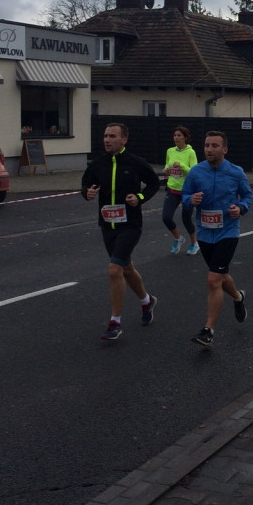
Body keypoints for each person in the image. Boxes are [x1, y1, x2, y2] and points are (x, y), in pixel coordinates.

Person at [81, 122, 160, 341]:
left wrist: (140, 198)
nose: (107, 140)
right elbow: (86, 182)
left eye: (112, 136)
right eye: (105, 136)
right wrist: (86, 192)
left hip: (130, 225)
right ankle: (146, 301)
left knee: (114, 269)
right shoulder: (98, 163)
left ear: (123, 140)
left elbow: (154, 183)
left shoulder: (135, 163)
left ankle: (115, 322)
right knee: (125, 269)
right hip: (107, 225)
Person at [181, 130, 252, 349]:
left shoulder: (235, 172)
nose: (209, 149)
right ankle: (238, 297)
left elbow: (247, 196)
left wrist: (239, 208)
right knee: (220, 275)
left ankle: (208, 330)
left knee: (213, 279)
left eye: (214, 146)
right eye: (207, 145)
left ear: (224, 149)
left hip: (227, 232)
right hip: (204, 232)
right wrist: (191, 200)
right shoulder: (196, 172)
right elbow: (184, 198)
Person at [161, 125, 199, 255]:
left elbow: (194, 172)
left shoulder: (191, 152)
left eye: (179, 135)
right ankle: (178, 238)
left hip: (187, 191)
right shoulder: (170, 151)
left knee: (186, 218)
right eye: (175, 135)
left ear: (185, 138)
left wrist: (182, 165)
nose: (176, 138)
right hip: (172, 188)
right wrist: (166, 170)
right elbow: (167, 165)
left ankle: (194, 243)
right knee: (166, 217)